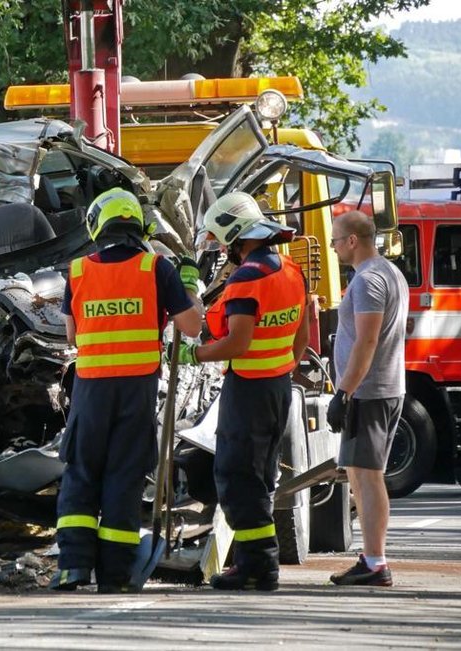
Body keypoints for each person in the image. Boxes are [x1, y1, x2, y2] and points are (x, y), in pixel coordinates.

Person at [51, 188, 202, 593]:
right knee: (123, 478)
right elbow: (192, 327)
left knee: (81, 476)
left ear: (98, 224)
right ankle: (115, 575)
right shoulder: (157, 268)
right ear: (137, 224)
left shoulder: (79, 270)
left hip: (91, 391)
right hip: (136, 392)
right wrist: (190, 286)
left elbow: (71, 333)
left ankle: (73, 568)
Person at [177, 191, 309, 591]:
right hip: (278, 386)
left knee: (237, 474)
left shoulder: (246, 279)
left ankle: (258, 566)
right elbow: (300, 338)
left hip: (249, 388)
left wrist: (194, 354)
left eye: (223, 242)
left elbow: (237, 343)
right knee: (261, 475)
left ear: (236, 236)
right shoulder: (289, 269)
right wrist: (280, 366)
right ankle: (257, 562)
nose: (224, 253)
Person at [326, 210, 408, 587]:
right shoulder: (390, 273)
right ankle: (371, 557)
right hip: (383, 387)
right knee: (362, 476)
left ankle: (375, 562)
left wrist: (345, 391)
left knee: (367, 477)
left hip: (369, 390)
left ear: (353, 241)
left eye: (336, 240)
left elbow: (368, 340)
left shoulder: (367, 281)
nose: (334, 246)